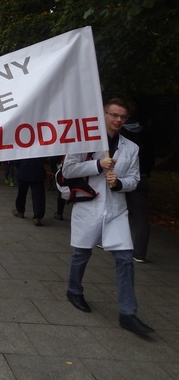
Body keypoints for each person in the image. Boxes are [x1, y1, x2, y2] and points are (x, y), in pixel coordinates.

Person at [63, 98, 153, 335]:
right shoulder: (84, 140)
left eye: (123, 117)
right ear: (103, 115)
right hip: (89, 206)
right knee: (81, 253)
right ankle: (74, 291)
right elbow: (69, 169)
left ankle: (128, 313)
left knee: (125, 258)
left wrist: (120, 183)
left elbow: (134, 179)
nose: (118, 120)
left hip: (115, 209)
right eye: (114, 115)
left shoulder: (131, 148)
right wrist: (98, 164)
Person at [122, 117, 155, 263]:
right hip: (142, 177)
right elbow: (151, 158)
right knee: (141, 216)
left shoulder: (123, 136)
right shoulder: (145, 136)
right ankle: (139, 252)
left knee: (117, 209)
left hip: (124, 177)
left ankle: (108, 241)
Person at [12, 157, 47, 226]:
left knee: (22, 192)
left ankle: (20, 211)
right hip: (37, 169)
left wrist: (18, 165)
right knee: (38, 194)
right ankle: (38, 216)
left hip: (24, 167)